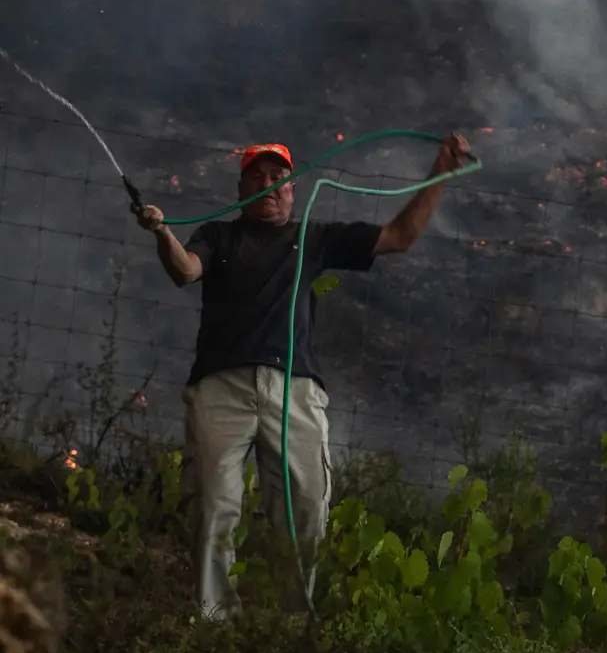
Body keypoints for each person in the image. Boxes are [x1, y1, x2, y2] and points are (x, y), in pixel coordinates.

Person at [136, 133, 473, 618]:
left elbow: (400, 236)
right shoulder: (217, 236)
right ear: (241, 187)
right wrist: (162, 231)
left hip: (295, 386)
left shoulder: (315, 238)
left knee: (308, 508)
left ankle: (289, 626)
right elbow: (186, 271)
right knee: (212, 505)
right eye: (258, 175)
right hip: (220, 386)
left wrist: (441, 171)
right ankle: (214, 626)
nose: (269, 185)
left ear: (294, 191)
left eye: (279, 178)